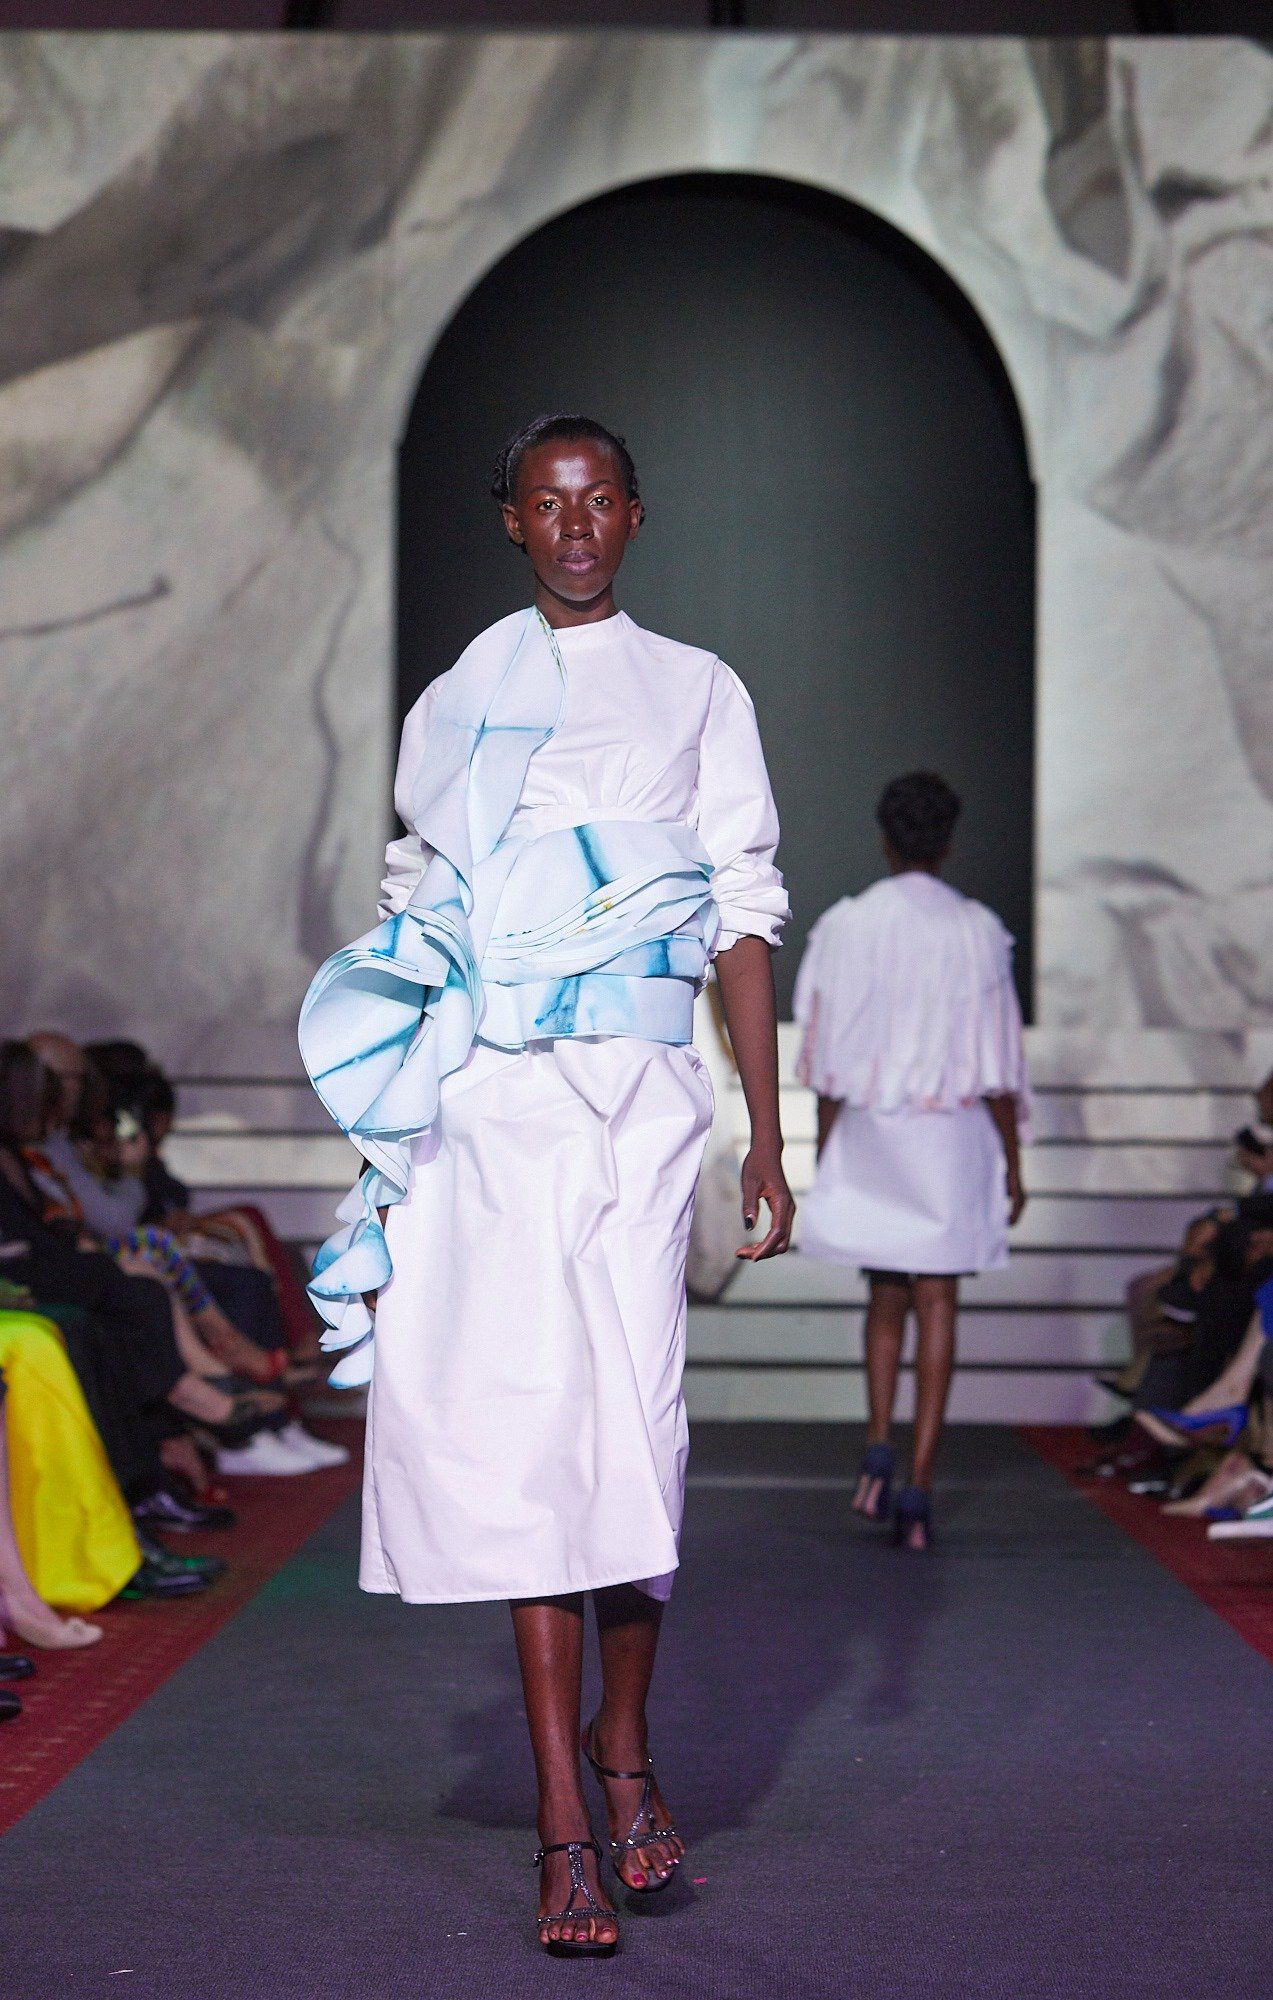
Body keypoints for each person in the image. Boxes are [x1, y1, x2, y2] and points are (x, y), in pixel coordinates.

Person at [299, 414, 793, 1956]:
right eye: (546, 502)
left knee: (635, 1431)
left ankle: (623, 1742)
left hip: (639, 1103)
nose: (574, 524)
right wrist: (392, 1118)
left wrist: (766, 1131)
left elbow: (739, 912)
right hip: (495, 1107)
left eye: (598, 500)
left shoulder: (699, 687)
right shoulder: (459, 699)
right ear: (512, 520)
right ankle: (566, 1822)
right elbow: (424, 908)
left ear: (634, 516)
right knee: (530, 1438)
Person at [793, 771, 1028, 1550]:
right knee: (938, 1301)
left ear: (884, 840)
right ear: (948, 842)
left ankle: (877, 1442)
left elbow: (823, 1048)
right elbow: (998, 1057)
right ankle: (920, 1485)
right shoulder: (978, 929)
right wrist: (1013, 1160)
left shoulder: (845, 924)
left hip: (872, 1123)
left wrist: (825, 1144)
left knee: (884, 1294)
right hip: (951, 1129)